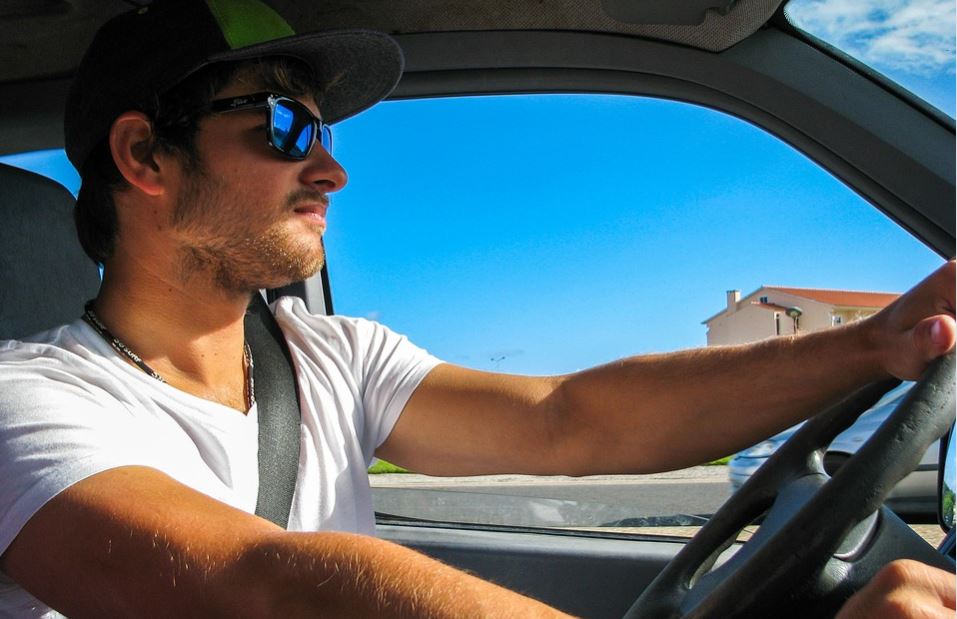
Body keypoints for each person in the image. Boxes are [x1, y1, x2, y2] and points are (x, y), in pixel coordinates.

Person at [0, 0, 953, 616]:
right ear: (144, 158)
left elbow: (565, 418)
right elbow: (268, 585)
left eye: (322, 131)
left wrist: (877, 343)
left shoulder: (332, 355)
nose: (330, 166)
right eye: (283, 124)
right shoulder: (23, 404)